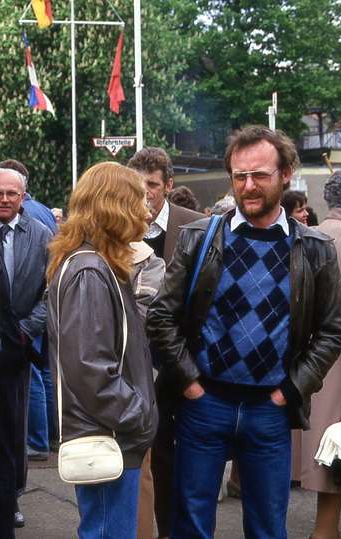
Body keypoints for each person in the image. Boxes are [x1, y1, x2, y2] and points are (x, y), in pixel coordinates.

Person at [147, 125, 341, 538]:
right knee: (190, 527)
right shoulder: (200, 238)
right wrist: (189, 384)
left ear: (286, 174)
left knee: (268, 529)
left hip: (269, 412)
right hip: (204, 405)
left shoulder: (315, 248)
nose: (249, 186)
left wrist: (289, 391)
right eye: (240, 176)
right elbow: (161, 318)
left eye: (260, 175)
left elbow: (331, 331)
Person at [47, 162, 158, 538]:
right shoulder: (90, 270)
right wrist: (137, 416)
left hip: (110, 432)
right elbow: (91, 369)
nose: (147, 211)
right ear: (115, 207)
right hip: (109, 435)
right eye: (139, 202)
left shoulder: (92, 264)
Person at [127, 145, 204, 539]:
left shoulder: (196, 225)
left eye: (153, 185)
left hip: (179, 361)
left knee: (177, 460)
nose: (146, 193)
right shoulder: (121, 223)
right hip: (134, 363)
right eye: (138, 185)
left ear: (169, 186)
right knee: (144, 457)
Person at [0, 166, 53, 532]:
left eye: (12, 194)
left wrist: (25, 331)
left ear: (24, 197)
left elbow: (50, 292)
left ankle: (11, 498)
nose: (4, 200)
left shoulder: (41, 234)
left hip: (17, 346)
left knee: (14, 428)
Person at [300, 167, 341, 539]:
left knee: (333, 446)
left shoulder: (314, 233)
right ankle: (325, 532)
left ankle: (327, 531)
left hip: (313, 359)